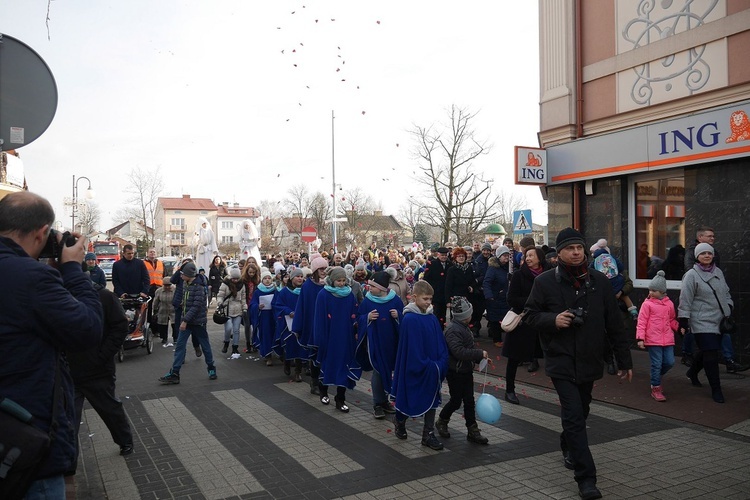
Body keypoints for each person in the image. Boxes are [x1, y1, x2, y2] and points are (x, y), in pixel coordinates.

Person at [0, 191, 103, 498]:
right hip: (24, 442)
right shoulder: (30, 277)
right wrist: (73, 269)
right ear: (43, 232)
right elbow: (88, 329)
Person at [525, 227, 633, 500]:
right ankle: (586, 479)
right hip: (561, 360)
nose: (576, 252)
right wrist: (553, 320)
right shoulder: (545, 282)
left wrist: (624, 359)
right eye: (570, 248)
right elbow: (529, 316)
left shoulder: (599, 281)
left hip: (589, 359)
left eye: (579, 248)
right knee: (574, 417)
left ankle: (567, 443)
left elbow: (615, 324)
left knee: (580, 412)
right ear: (558, 252)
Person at [68, 279, 134, 457]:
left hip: (97, 370)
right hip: (69, 371)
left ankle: (125, 440)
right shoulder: (59, 296)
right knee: (68, 422)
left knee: (109, 409)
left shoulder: (104, 296)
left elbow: (120, 327)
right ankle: (68, 465)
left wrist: (102, 356)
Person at [391, 281, 449, 450]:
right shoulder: (409, 319)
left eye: (430, 299)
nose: (428, 302)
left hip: (432, 368)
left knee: (432, 401)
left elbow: (439, 342)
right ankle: (400, 420)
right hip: (415, 367)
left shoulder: (431, 317)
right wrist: (426, 364)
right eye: (425, 298)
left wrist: (440, 362)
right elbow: (412, 348)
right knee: (409, 398)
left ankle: (428, 434)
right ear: (414, 297)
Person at [679, 243, 732, 403]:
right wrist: (683, 320)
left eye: (710, 253)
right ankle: (716, 389)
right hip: (701, 320)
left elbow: (726, 291)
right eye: (703, 253)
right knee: (711, 353)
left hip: (719, 319)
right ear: (697, 256)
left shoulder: (718, 272)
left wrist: (729, 305)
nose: (707, 256)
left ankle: (693, 372)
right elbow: (685, 299)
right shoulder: (691, 275)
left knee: (709, 349)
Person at [435, 296, 490, 445]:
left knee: (469, 401)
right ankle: (442, 420)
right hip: (455, 372)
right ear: (465, 316)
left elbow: (468, 348)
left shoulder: (462, 327)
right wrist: (478, 354)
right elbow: (459, 351)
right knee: (456, 400)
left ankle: (473, 430)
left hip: (465, 370)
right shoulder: (453, 330)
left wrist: (480, 358)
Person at [159, 262, 217, 384]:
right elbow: (187, 302)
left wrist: (185, 320)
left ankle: (211, 368)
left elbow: (196, 306)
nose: (181, 276)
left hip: (197, 322)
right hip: (186, 320)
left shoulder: (199, 287)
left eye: (182, 274)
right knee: (180, 346)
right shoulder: (186, 284)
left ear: (189, 275)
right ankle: (175, 373)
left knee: (205, 346)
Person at [312, 267, 360, 412]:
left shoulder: (350, 295)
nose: (341, 283)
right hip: (330, 337)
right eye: (338, 280)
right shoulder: (323, 295)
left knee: (344, 367)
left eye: (343, 280)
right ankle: (323, 389)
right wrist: (320, 338)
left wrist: (356, 327)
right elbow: (319, 319)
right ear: (332, 281)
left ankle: (340, 398)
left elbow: (354, 313)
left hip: (346, 337)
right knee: (328, 364)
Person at [504, 247, 548, 404]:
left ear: (540, 258)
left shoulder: (549, 274)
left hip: (542, 322)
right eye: (526, 255)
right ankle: (509, 389)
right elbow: (511, 299)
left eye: (531, 255)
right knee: (514, 358)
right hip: (522, 322)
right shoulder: (519, 275)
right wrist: (532, 301)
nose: (527, 258)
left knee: (551, 355)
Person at [357, 271, 402, 419]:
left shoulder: (394, 300)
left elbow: (405, 319)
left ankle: (384, 402)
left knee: (387, 370)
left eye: (372, 286)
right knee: (377, 371)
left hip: (391, 343)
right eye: (369, 285)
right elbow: (359, 318)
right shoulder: (367, 301)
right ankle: (377, 403)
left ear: (382, 288)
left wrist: (398, 316)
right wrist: (367, 317)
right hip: (375, 343)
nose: (369, 288)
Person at [635, 271, 679, 402]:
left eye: (654, 290)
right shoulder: (647, 304)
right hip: (653, 339)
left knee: (670, 362)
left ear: (662, 291)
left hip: (668, 339)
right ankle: (656, 387)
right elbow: (641, 321)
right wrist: (640, 338)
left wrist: (678, 327)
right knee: (656, 363)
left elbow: (671, 319)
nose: (651, 293)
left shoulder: (669, 304)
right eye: (650, 290)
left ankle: (656, 377)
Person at [292, 256, 329, 394]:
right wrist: (298, 325)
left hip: (326, 324)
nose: (324, 271)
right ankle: (314, 382)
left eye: (325, 268)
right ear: (315, 270)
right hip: (312, 324)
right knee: (314, 353)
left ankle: (323, 380)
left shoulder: (329, 285)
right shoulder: (308, 286)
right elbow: (301, 306)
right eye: (321, 269)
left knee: (325, 354)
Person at [589, 239, 638, 319]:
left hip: (619, 308)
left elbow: (629, 284)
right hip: (607, 305)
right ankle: (633, 312)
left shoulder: (595, 264)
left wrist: (621, 292)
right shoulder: (614, 262)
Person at [170, 258, 206, 358]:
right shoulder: (180, 275)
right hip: (180, 304)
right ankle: (182, 354)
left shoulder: (195, 278)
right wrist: (180, 269)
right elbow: (172, 280)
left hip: (191, 306)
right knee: (180, 331)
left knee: (193, 330)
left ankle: (196, 345)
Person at [275, 268, 305, 381]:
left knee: (300, 346)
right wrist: (289, 312)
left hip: (301, 323)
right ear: (292, 278)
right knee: (289, 344)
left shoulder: (305, 291)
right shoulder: (284, 292)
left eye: (301, 276)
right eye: (297, 276)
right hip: (288, 323)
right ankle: (287, 362)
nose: (300, 278)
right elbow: (278, 305)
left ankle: (298, 371)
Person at [444, 246, 478, 332]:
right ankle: (455, 333)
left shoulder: (468, 268)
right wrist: (448, 300)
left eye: (463, 256)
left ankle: (466, 333)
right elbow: (448, 285)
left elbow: (473, 281)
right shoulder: (452, 269)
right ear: (455, 258)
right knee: (456, 318)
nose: (461, 258)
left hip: (467, 296)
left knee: (467, 317)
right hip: (456, 297)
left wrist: (471, 287)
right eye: (459, 256)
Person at [483, 245, 511, 347]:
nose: (506, 258)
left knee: (505, 318)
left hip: (505, 297)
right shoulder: (493, 268)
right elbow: (487, 282)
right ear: (499, 256)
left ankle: (506, 339)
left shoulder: (509, 268)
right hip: (495, 298)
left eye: (508, 256)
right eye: (504, 256)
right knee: (495, 320)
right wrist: (489, 296)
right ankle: (497, 340)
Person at [217, 266, 247, 359]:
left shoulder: (242, 285)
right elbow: (220, 295)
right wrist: (219, 302)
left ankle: (235, 347)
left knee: (236, 330)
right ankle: (226, 342)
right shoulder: (225, 284)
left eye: (237, 278)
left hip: (238, 309)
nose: (235, 280)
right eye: (234, 278)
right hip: (227, 309)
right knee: (228, 328)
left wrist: (244, 307)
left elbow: (243, 297)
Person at [251, 269, 278, 366]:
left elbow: (279, 302)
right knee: (266, 335)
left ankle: (278, 352)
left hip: (273, 316)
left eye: (269, 278)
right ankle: (268, 356)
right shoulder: (258, 291)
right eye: (265, 278)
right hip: (264, 317)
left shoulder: (275, 290)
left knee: (275, 334)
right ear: (262, 280)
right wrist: (257, 306)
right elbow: (253, 304)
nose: (267, 280)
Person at [422, 246, 452, 328]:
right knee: (436, 315)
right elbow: (427, 279)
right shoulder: (432, 264)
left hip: (446, 294)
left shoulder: (450, 264)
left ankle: (441, 331)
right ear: (438, 255)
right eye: (442, 255)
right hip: (436, 294)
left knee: (444, 315)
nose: (444, 257)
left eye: (445, 255)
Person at [470, 242, 492, 336]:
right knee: (478, 311)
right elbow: (478, 275)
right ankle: (476, 327)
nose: (486, 252)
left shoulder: (494, 260)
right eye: (484, 250)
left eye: (487, 250)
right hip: (481, 289)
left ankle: (492, 328)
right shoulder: (478, 261)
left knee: (491, 309)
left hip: (491, 288)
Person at [143, 247, 165, 328]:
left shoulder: (161, 263)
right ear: (147, 253)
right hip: (148, 289)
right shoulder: (143, 263)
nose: (152, 253)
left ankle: (157, 328)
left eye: (154, 252)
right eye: (151, 252)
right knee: (147, 309)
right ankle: (148, 326)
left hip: (159, 288)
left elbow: (164, 276)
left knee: (159, 310)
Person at [152, 282, 176, 347]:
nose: (167, 287)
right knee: (162, 325)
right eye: (165, 285)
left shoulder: (175, 289)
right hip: (163, 309)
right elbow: (156, 301)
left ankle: (175, 338)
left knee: (175, 324)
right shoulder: (159, 291)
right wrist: (154, 309)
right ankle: (164, 338)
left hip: (173, 309)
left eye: (169, 285)